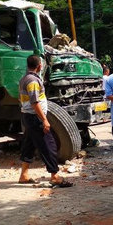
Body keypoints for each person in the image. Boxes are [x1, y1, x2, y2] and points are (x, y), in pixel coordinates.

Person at [17, 55, 73, 187]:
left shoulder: (24, 78)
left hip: (28, 116)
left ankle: (24, 175)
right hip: (34, 117)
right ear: (40, 66)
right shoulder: (32, 81)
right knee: (49, 145)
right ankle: (54, 176)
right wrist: (44, 120)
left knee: (29, 145)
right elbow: (35, 102)